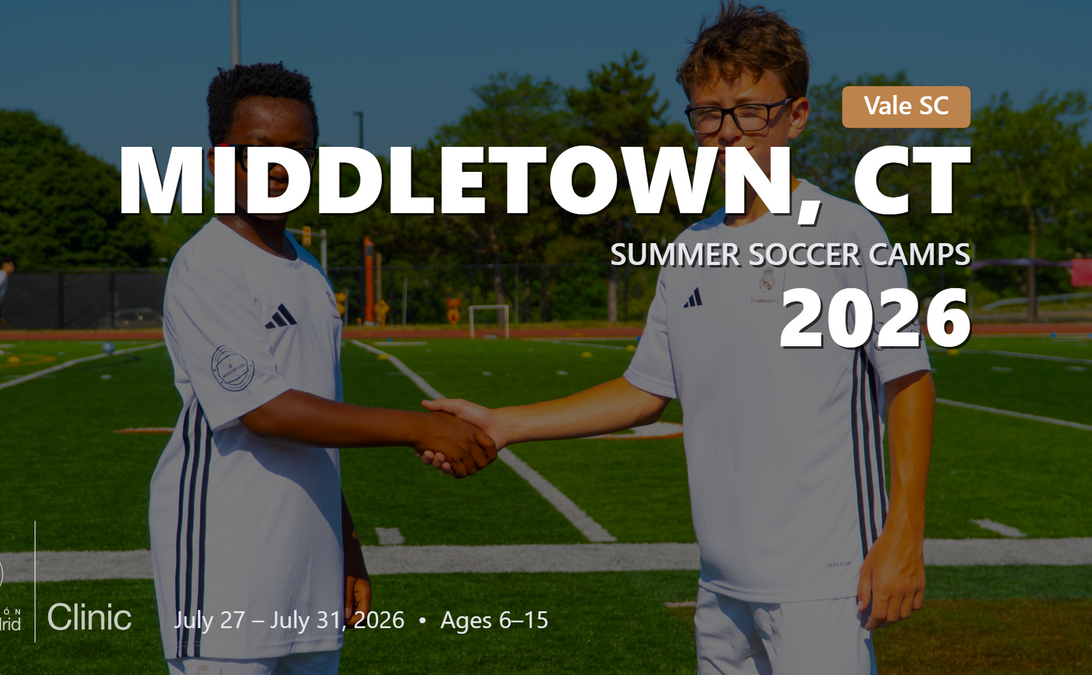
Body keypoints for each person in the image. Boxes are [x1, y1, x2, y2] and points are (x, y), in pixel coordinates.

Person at [425, 4, 935, 673]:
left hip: (822, 584)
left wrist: (904, 534)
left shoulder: (847, 231)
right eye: (709, 113)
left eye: (751, 110)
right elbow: (644, 392)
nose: (729, 131)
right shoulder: (689, 250)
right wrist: (503, 424)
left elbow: (908, 380)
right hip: (720, 589)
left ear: (796, 115)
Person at [149, 63, 497, 675]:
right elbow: (264, 410)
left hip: (309, 565)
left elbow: (317, 425)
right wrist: (420, 427)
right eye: (259, 151)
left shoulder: (308, 270)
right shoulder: (207, 264)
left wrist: (346, 541)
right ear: (217, 161)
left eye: (299, 151)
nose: (280, 167)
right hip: (228, 565)